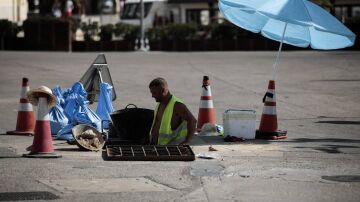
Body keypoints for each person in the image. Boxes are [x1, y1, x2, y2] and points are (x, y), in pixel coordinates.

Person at [149, 78, 196, 145]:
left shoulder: (177, 105)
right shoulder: (159, 103)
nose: (152, 96)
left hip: (170, 148)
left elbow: (192, 121)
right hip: (157, 146)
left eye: (154, 93)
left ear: (163, 90)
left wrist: (187, 141)